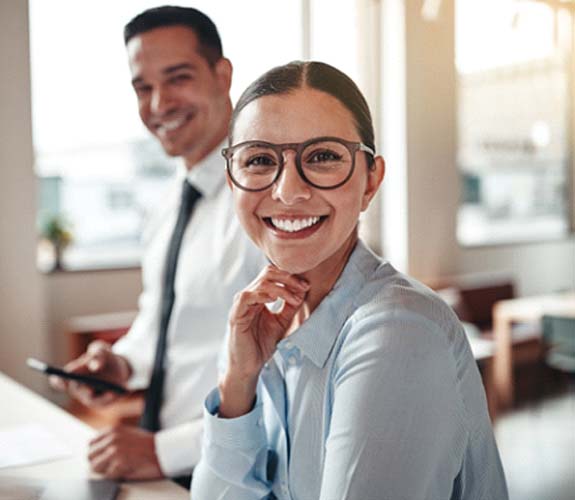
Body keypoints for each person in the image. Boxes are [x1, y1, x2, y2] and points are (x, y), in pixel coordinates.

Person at [191, 61, 509, 499]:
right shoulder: (269, 323)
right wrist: (237, 384)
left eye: (322, 157)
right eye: (260, 160)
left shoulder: (398, 331)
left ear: (370, 180)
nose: (287, 191)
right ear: (232, 181)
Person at [50, 6, 263, 485]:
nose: (158, 103)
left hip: (234, 472)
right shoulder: (167, 204)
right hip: (159, 468)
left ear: (222, 75)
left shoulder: (268, 202)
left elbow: (288, 373)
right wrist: (122, 365)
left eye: (178, 78)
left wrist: (164, 451)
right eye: (142, 88)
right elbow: (162, 323)